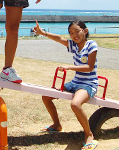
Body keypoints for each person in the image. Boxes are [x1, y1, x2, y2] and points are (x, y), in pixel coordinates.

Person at [32, 20, 99, 150]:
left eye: (77, 31)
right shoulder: (73, 45)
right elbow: (59, 39)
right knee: (46, 96)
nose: (74, 35)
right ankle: (57, 125)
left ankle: (89, 134)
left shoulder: (91, 45)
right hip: (75, 82)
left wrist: (69, 67)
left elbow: (90, 67)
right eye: (71, 33)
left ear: (85, 31)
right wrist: (43, 33)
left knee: (75, 104)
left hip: (88, 84)